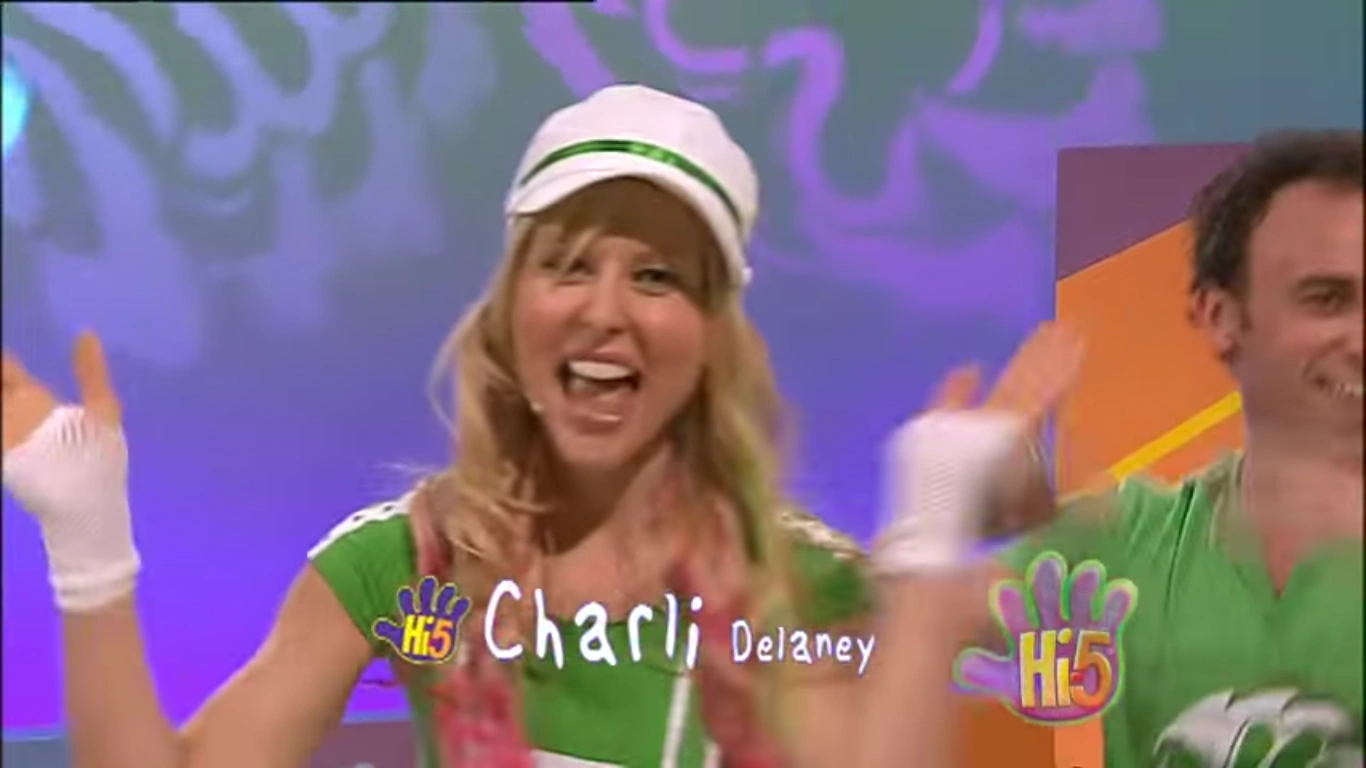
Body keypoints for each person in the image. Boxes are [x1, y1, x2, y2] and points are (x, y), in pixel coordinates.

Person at [860, 128, 1363, 766]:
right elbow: (887, 622)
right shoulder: (1126, 541)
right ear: (1220, 316)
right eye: (1327, 299)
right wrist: (944, 504)